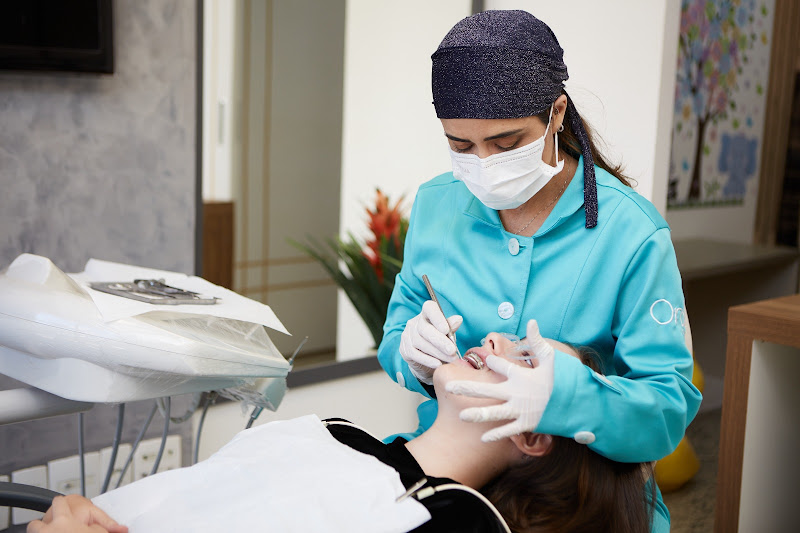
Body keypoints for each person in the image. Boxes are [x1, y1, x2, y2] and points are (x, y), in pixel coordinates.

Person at [377, 9, 702, 532]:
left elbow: (668, 407)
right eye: (461, 146)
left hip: (576, 504)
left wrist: (570, 398)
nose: (482, 164)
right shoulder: (438, 206)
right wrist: (409, 354)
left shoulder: (632, 235)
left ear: (555, 113)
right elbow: (397, 333)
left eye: (505, 145)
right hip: (450, 483)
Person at [29, 321, 653, 533]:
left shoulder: (452, 522)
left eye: (520, 358)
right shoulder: (335, 432)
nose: (491, 338)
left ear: (533, 434)